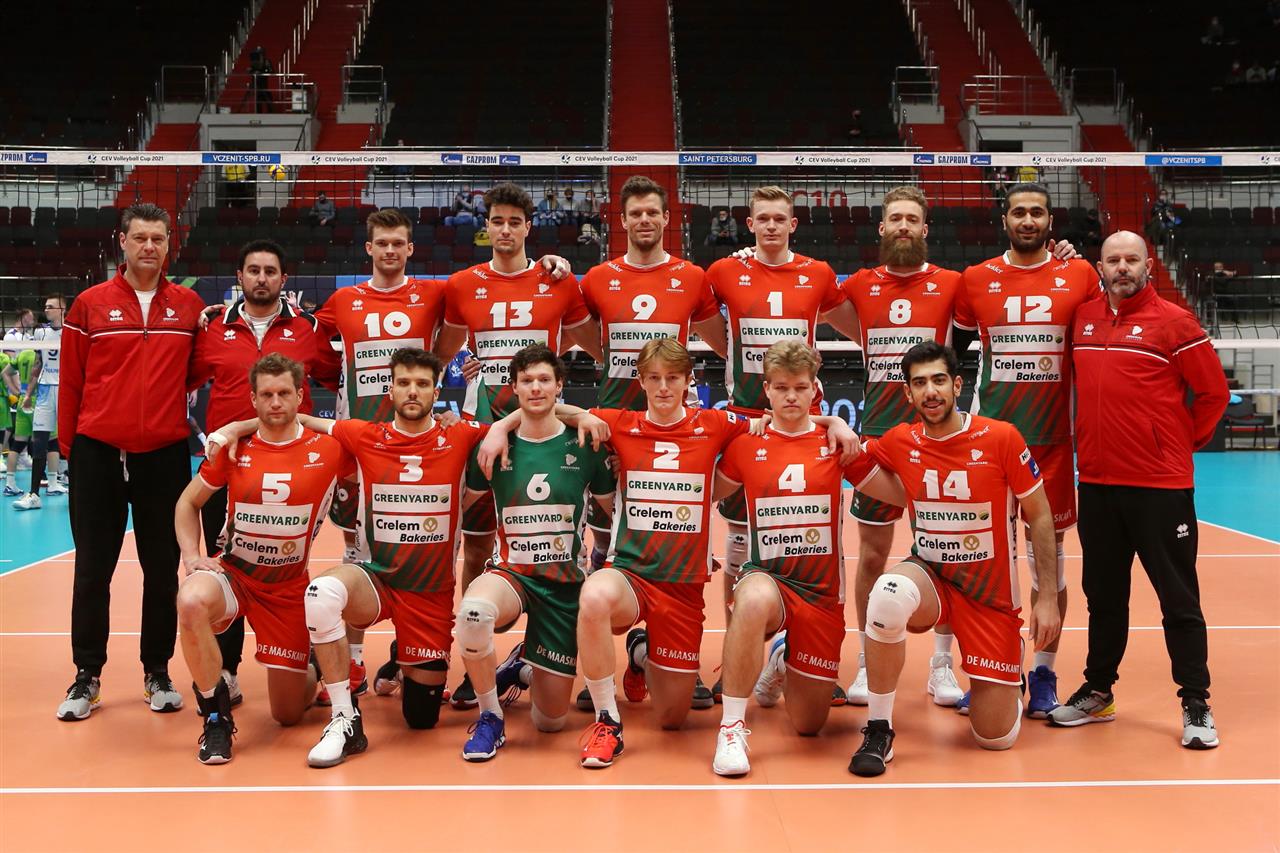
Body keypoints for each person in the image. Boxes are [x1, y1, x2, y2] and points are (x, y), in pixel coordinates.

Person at [848, 341, 1061, 776]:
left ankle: (1008, 674)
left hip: (989, 598)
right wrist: (833, 424)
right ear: (907, 393)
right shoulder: (901, 440)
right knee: (887, 593)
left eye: (939, 380)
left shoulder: (1001, 437)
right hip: (932, 577)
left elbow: (1040, 515)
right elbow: (854, 461)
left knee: (995, 738)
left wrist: (1047, 598)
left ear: (957, 385)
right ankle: (879, 728)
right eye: (919, 383)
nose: (930, 392)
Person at [1050, 231, 1228, 749]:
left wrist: (1177, 444)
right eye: (1113, 260)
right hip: (1097, 485)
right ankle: (1098, 691)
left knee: (1179, 599)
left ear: (1148, 265)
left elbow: (1214, 394)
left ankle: (1196, 702)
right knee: (1104, 597)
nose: (1122, 267)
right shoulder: (1083, 318)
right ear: (1101, 268)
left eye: (1132, 259)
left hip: (1159, 488)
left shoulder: (1176, 323)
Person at [431, 181, 600, 710]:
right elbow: (440, 355)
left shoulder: (557, 281)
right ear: (486, 227)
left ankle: (545, 652)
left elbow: (600, 343)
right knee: (478, 546)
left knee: (558, 542)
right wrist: (447, 395)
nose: (505, 230)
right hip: (485, 432)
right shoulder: (462, 284)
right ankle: (475, 663)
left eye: (514, 222)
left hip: (545, 432)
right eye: (497, 221)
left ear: (529, 227)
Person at [711, 341, 901, 776]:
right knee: (751, 599)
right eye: (781, 388)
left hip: (820, 595)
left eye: (800, 387)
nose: (791, 396)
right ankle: (731, 727)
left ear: (815, 388)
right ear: (767, 390)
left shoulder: (837, 443)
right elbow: (704, 490)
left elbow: (893, 492)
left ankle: (782, 658)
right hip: (769, 578)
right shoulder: (746, 444)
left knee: (808, 725)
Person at [951, 182, 1101, 717]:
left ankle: (1043, 673)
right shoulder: (976, 279)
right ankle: (994, 670)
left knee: (1048, 569)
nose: (1028, 220)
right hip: (989, 444)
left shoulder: (1079, 275)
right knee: (986, 565)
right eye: (1019, 212)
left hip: (1052, 444)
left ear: (1050, 221)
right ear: (1005, 220)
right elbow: (953, 354)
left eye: (1037, 212)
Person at [55, 203, 206, 721]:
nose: (149, 247)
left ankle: (156, 670)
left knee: (161, 571)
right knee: (91, 570)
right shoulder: (90, 305)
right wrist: (72, 450)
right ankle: (87, 674)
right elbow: (72, 380)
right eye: (140, 237)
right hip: (97, 452)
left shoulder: (187, 306)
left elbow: (193, 372)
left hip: (163, 455)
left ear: (169, 244)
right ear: (122, 241)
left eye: (158, 239)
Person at [705, 184, 855, 703]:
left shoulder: (818, 273)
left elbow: (863, 324)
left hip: (803, 422)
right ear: (750, 225)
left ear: (793, 224)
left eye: (779, 218)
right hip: (747, 422)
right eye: (762, 218)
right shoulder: (723, 272)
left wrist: (826, 417)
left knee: (808, 539)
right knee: (740, 541)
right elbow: (700, 319)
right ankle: (736, 657)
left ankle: (801, 655)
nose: (770, 226)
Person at [174, 354, 351, 763]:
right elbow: (187, 503)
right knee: (190, 600)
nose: (275, 402)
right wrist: (192, 557)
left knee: (287, 715)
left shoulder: (329, 449)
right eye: (266, 394)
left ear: (300, 396)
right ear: (252, 399)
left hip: (287, 589)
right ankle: (216, 718)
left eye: (284, 393)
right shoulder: (233, 449)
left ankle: (311, 665)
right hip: (234, 575)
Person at [188, 239, 340, 710]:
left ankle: (304, 656)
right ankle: (227, 672)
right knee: (224, 561)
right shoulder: (212, 326)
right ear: (239, 276)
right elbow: (186, 376)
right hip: (229, 464)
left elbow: (337, 376)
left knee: (285, 562)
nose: (261, 278)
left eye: (270, 271)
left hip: (291, 461)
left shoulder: (308, 327)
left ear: (283, 279)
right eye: (253, 270)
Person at [575, 174, 728, 640]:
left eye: (652, 212)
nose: (644, 219)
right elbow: (578, 333)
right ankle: (614, 612)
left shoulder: (692, 277)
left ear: (666, 218)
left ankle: (657, 639)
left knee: (670, 522)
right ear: (622, 221)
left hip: (672, 423)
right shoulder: (598, 278)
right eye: (635, 213)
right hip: (614, 420)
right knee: (607, 529)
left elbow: (725, 343)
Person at [311, 208, 446, 702]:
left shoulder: (434, 294)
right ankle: (353, 660)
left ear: (411, 248)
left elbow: (485, 303)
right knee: (355, 549)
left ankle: (413, 649)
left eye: (398, 243)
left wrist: (551, 265)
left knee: (417, 547)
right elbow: (307, 343)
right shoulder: (343, 300)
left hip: (416, 444)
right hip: (359, 445)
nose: (390, 250)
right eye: (381, 243)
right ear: (369, 248)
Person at [455, 344, 615, 761]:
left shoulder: (585, 444)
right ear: (514, 387)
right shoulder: (494, 446)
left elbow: (613, 510)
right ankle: (490, 717)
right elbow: (461, 503)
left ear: (560, 386)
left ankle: (521, 665)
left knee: (550, 721)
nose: (536, 388)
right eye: (526, 381)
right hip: (513, 574)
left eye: (545, 379)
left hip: (563, 587)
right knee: (473, 613)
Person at [838, 187, 965, 706]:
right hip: (878, 439)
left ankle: (942, 666)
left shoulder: (953, 284)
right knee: (872, 555)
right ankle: (868, 662)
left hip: (938, 441)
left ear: (925, 229)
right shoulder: (859, 285)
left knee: (947, 554)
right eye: (896, 219)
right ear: (882, 228)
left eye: (913, 219)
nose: (904, 227)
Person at [11, 296, 65, 509]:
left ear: (62, 309)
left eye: (50, 307)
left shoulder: (71, 331)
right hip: (44, 391)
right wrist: (28, 394)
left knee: (72, 441)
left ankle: (77, 489)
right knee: (39, 441)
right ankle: (34, 494)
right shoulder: (40, 332)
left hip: (65, 389)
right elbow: (38, 364)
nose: (46, 310)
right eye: (45, 306)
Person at [249, 45, 273, 113]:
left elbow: (271, 71)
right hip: (257, 86)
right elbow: (251, 71)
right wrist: (252, 71)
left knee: (269, 100)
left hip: (264, 85)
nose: (259, 55)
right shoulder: (254, 62)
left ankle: (271, 114)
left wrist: (267, 69)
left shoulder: (266, 61)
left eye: (260, 53)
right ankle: (258, 114)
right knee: (258, 102)